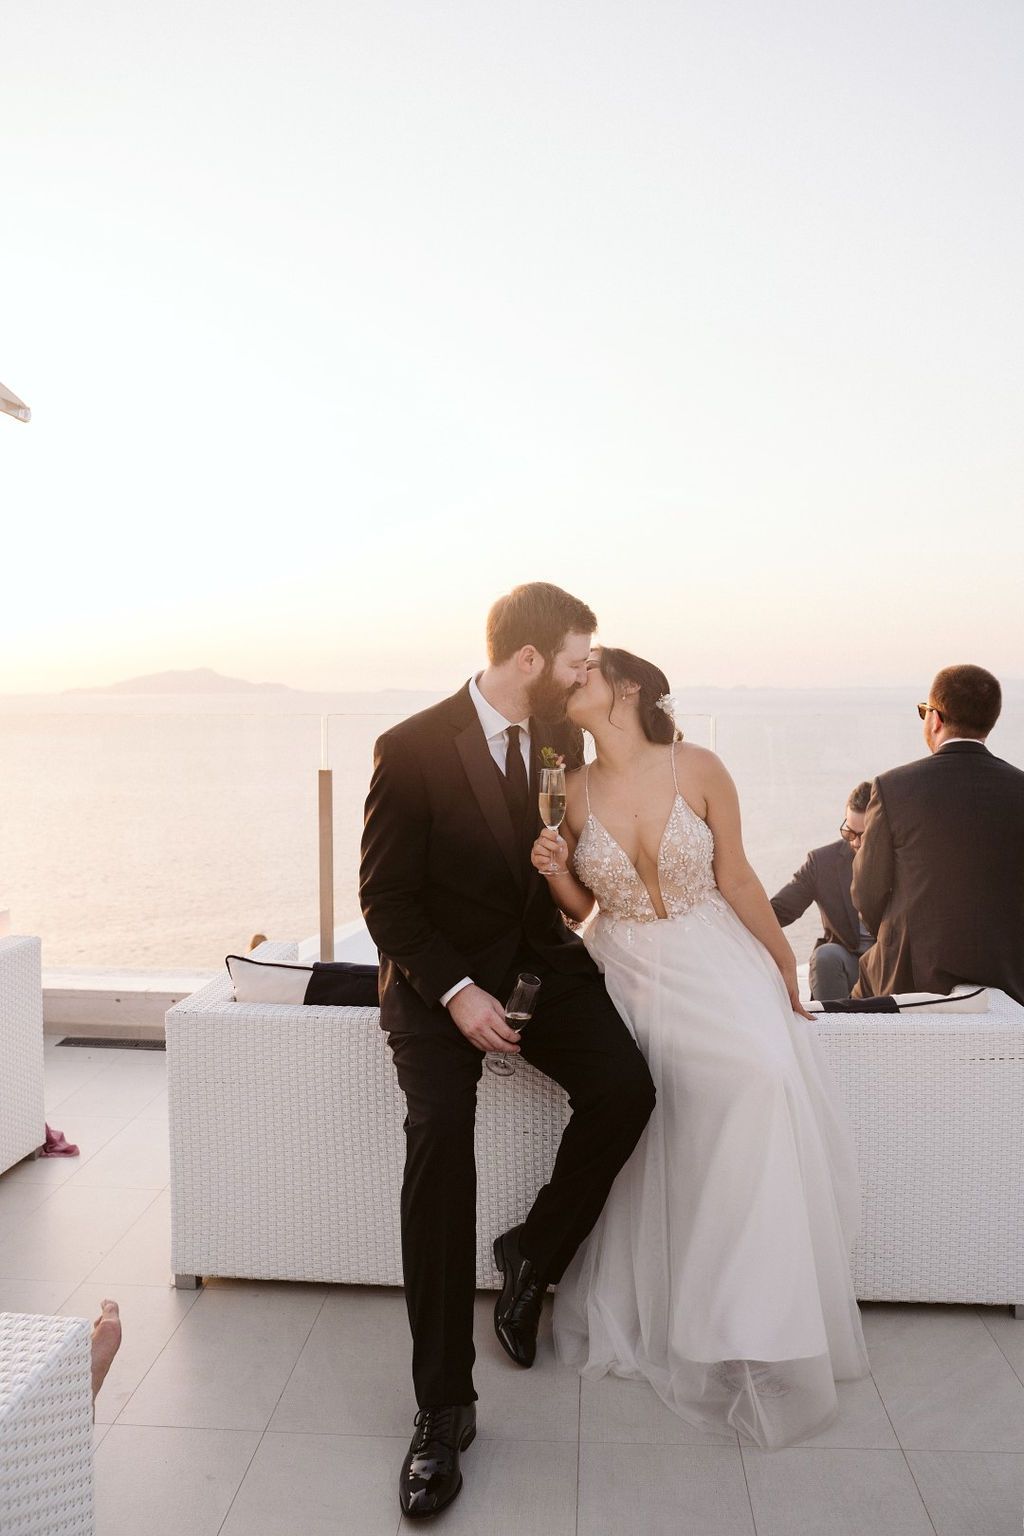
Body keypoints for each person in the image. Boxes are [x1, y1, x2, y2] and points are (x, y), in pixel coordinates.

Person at [359, 585, 656, 1519]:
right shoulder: (409, 748)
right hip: (435, 983)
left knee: (628, 1089)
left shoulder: (558, 743)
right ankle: (443, 1410)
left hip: (538, 964)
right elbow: (385, 900)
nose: (584, 671)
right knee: (442, 1139)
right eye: (576, 656)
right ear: (529, 659)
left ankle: (534, 1253)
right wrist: (457, 994)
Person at [538, 646, 869, 1449]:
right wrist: (554, 872)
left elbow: (741, 879)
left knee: (761, 1078)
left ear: (631, 687)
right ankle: (682, 1313)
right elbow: (585, 912)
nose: (570, 679)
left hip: (713, 956)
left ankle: (753, 1318)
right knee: (661, 1116)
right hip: (627, 970)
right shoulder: (569, 791)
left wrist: (782, 964)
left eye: (585, 671)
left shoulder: (701, 766)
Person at [853, 664, 1024, 1004]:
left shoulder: (892, 788)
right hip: (1009, 980)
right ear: (989, 723)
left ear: (935, 718)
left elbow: (866, 892)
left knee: (860, 988)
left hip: (912, 979)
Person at [770, 782, 875, 1000]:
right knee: (825, 956)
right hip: (849, 962)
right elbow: (779, 910)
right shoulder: (822, 863)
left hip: (891, 964)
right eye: (849, 832)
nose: (855, 842)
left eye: (863, 835)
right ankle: (832, 1031)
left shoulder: (904, 860)